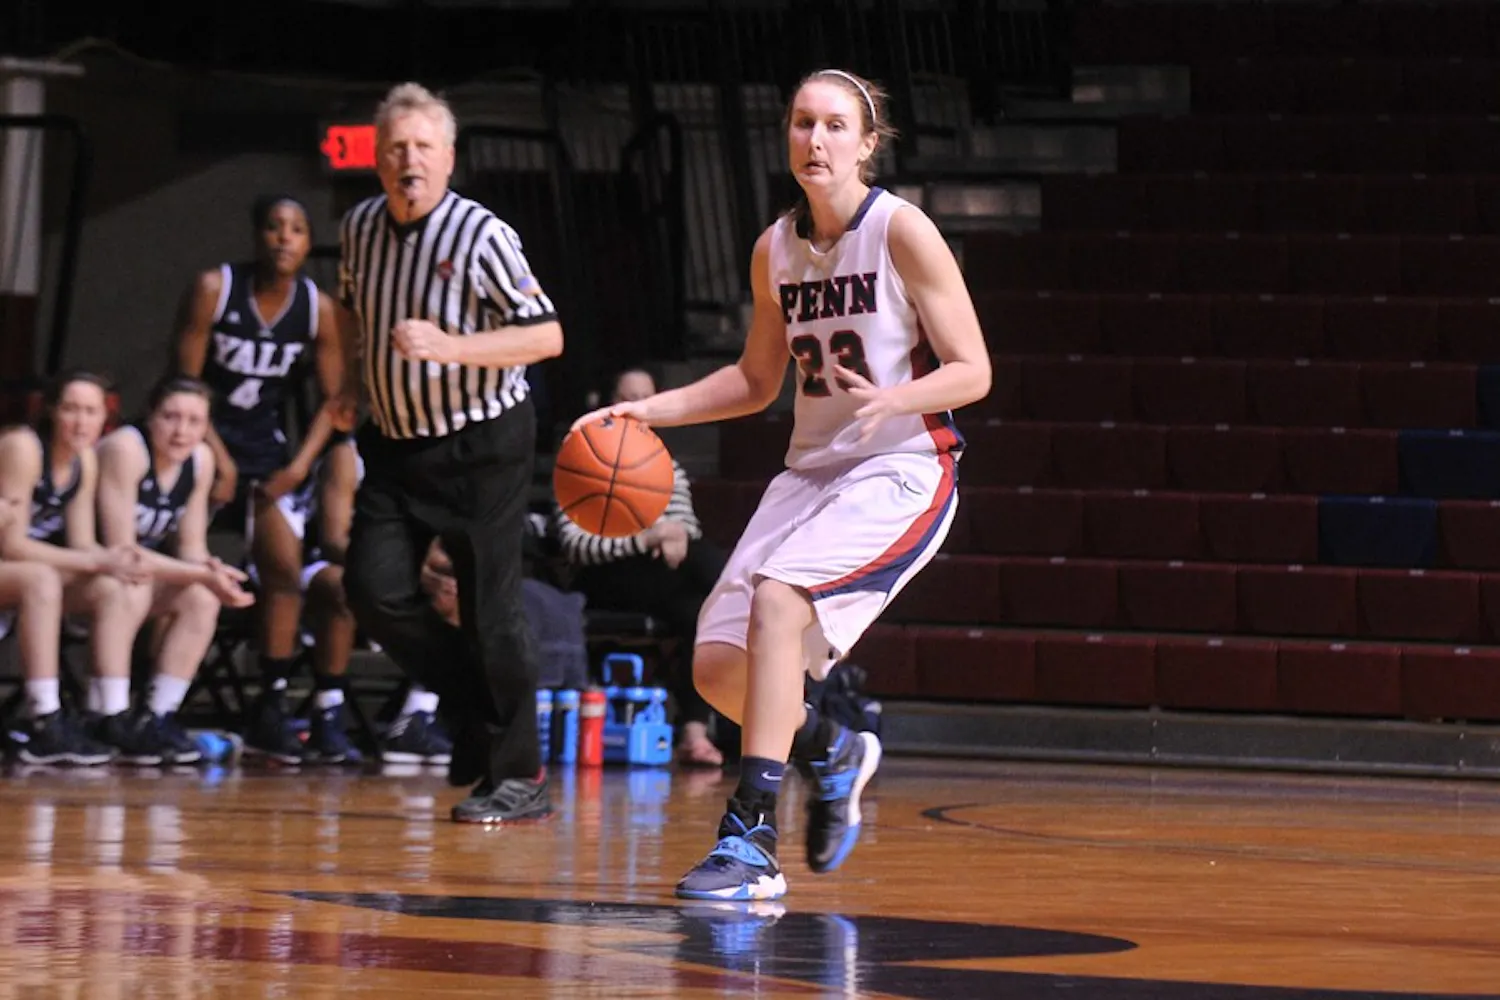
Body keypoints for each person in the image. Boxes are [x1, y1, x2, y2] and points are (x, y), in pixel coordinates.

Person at [574, 69, 990, 900]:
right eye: (803, 123)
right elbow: (755, 380)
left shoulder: (901, 230)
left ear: (867, 145)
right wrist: (646, 412)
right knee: (716, 669)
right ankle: (831, 747)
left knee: (778, 600)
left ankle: (750, 840)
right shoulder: (774, 248)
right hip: (811, 472)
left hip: (902, 466)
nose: (815, 139)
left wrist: (896, 399)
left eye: (835, 125)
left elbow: (973, 369)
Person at [334, 82, 564, 823]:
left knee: (491, 610)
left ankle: (520, 774)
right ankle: (472, 711)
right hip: (395, 443)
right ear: (377, 159)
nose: (411, 160)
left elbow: (546, 335)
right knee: (372, 590)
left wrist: (450, 346)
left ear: (449, 157)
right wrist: (349, 382)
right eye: (397, 148)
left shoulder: (482, 235)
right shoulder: (360, 227)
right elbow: (348, 309)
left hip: (482, 443)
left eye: (424, 147)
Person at [172, 193, 345, 760]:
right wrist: (216, 457)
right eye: (274, 227)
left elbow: (336, 402)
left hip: (267, 451)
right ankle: (148, 702)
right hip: (201, 442)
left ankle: (270, 702)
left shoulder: (316, 307)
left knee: (284, 571)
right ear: (256, 235)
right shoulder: (215, 288)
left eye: (297, 229)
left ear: (308, 241)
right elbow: (184, 388)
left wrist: (298, 466)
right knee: (177, 564)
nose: (284, 238)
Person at [554, 366, 727, 768]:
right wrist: (647, 538)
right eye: (627, 398)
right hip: (604, 576)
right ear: (607, 404)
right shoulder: (579, 459)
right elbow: (576, 545)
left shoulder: (666, 466)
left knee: (700, 612)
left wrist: (673, 534)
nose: (636, 408)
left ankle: (694, 733)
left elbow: (684, 531)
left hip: (660, 576)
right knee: (711, 570)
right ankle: (746, 599)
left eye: (646, 400)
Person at [95, 375, 256, 764]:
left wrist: (214, 571)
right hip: (88, 569)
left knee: (203, 597)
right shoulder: (125, 449)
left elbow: (191, 548)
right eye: (170, 417)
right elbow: (122, 551)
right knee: (132, 584)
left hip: (136, 574)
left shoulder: (200, 460)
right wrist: (201, 573)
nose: (182, 431)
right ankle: (110, 715)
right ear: (150, 416)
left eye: (194, 421)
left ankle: (157, 716)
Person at [0, 371, 147, 764]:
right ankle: (43, 717)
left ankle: (108, 712)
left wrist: (116, 563)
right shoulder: (23, 446)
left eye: (91, 412)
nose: (81, 422)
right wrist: (97, 560)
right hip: (11, 563)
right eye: (70, 409)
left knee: (113, 586)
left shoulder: (85, 459)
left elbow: (82, 542)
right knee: (41, 579)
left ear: (105, 417)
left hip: (22, 569)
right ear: (51, 410)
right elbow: (11, 545)